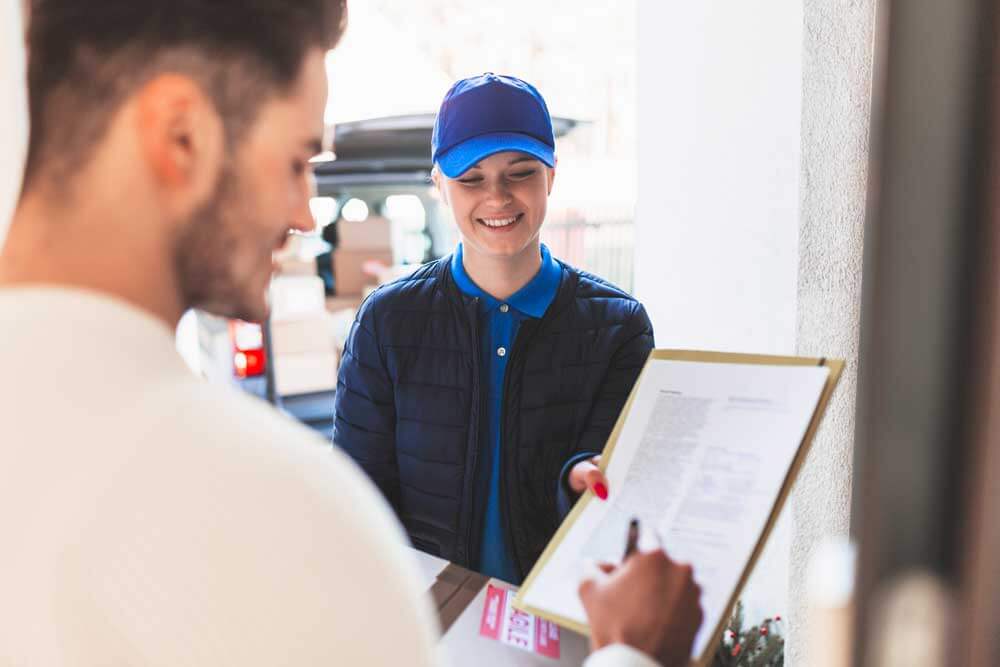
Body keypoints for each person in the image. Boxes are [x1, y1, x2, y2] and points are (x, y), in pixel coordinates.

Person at [0, 2, 702, 665]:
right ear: (181, 137)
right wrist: (632, 651)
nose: (307, 214)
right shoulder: (255, 506)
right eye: (298, 159)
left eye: (520, 174)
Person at [334, 73, 654, 584]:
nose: (497, 197)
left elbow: (614, 489)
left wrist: (582, 482)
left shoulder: (619, 328)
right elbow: (358, 501)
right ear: (439, 185)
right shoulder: (386, 322)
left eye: (519, 173)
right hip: (430, 625)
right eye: (471, 179)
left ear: (551, 176)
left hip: (561, 624)